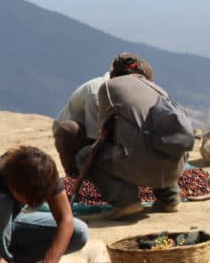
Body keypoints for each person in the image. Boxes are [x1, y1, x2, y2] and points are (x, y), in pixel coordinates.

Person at [77, 52, 187, 221]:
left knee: (86, 156)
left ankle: (126, 202)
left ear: (113, 72)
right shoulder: (154, 86)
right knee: (157, 143)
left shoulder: (109, 86)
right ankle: (170, 199)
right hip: (176, 166)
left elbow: (104, 132)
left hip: (141, 166)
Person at [52, 55, 153, 177]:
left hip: (107, 133)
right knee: (69, 130)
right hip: (83, 136)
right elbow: (95, 142)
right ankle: (76, 176)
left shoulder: (130, 93)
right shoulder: (97, 94)